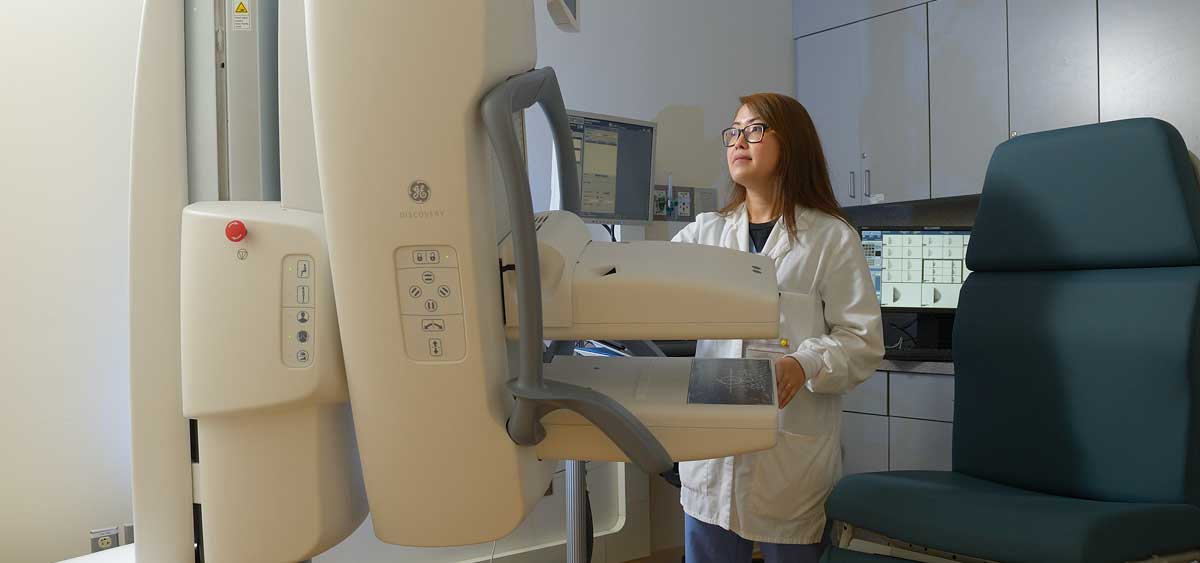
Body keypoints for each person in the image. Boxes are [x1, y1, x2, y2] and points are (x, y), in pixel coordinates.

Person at [672, 93, 884, 562]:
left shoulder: (831, 237)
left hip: (790, 447)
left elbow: (862, 340)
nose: (738, 141)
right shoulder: (705, 233)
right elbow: (651, 284)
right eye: (733, 131)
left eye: (754, 130)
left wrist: (803, 362)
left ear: (792, 144)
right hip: (713, 443)